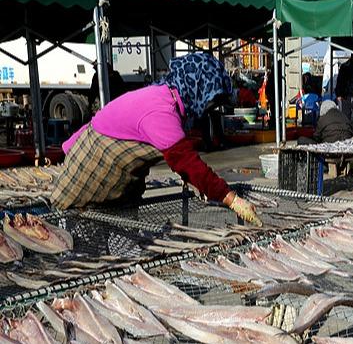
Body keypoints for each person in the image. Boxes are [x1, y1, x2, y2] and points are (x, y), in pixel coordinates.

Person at [51, 53, 262, 226]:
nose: (211, 106)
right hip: (92, 174)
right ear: (198, 88)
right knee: (83, 240)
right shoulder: (162, 111)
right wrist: (231, 199)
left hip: (122, 181)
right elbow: (187, 163)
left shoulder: (166, 95)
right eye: (211, 98)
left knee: (124, 240)